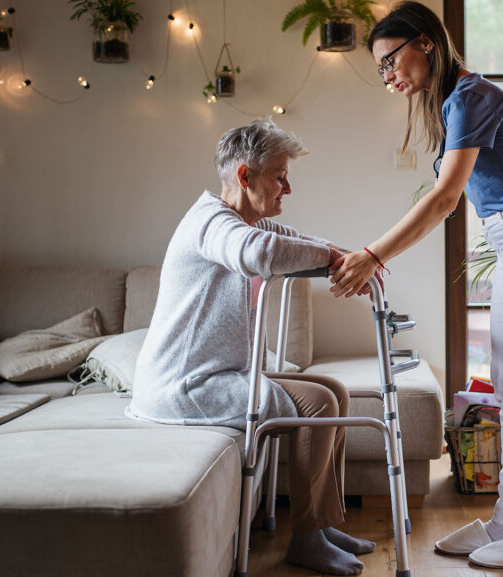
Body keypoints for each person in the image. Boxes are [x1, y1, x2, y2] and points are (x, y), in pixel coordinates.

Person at [329, 2, 503, 570]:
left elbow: (446, 198)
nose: (390, 76)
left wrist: (373, 254)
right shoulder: (454, 102)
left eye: (391, 60)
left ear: (425, 42)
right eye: (381, 70)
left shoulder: (469, 95)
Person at [127, 119, 374, 576]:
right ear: (245, 176)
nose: (288, 188)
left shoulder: (238, 220)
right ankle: (306, 540)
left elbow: (288, 239)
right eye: (279, 176)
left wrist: (343, 254)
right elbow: (257, 254)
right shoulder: (212, 223)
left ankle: (321, 525)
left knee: (333, 391)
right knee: (318, 404)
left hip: (219, 374)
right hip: (186, 386)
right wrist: (333, 258)